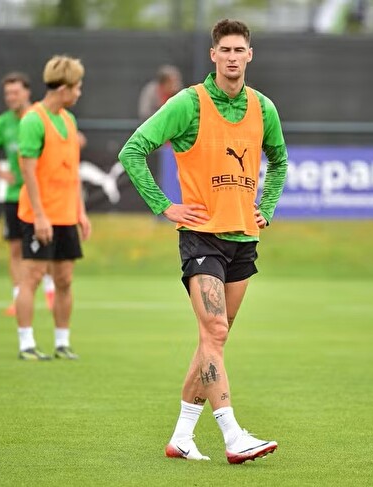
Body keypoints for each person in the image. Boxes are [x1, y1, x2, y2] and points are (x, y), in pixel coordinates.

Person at [119, 19, 288, 464]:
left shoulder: (263, 107)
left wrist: (267, 206)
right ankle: (233, 435)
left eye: (239, 50)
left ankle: (181, 437)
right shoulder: (188, 103)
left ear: (249, 55)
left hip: (244, 238)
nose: (232, 57)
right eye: (224, 50)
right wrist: (164, 205)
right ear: (213, 55)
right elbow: (132, 150)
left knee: (213, 339)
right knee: (214, 331)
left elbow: (280, 160)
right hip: (201, 237)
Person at [15, 56, 91, 360]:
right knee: (31, 278)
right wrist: (40, 216)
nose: (79, 93)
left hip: (66, 216)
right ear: (63, 88)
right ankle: (26, 344)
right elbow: (28, 171)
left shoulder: (69, 120)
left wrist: (80, 211)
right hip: (39, 215)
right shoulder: (33, 120)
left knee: (64, 280)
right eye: (77, 87)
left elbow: (73, 172)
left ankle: (62, 342)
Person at [0, 72, 56, 318]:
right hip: (16, 196)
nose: (11, 97)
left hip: (42, 196)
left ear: (27, 92)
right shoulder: (3, 123)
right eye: (7, 93)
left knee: (48, 245)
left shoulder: (40, 116)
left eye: (15, 92)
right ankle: (17, 298)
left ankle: (51, 292)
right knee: (15, 249)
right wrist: (0, 172)